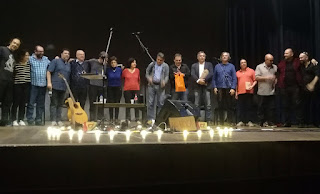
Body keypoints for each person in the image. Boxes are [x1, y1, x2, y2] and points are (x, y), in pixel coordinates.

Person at [277, 48, 303, 127]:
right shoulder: (282, 63)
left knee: (297, 104)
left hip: (295, 87)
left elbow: (306, 61)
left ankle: (300, 122)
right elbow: (278, 72)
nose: (285, 55)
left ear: (292, 54)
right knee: (286, 105)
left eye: (287, 53)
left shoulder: (297, 61)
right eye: (284, 53)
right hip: (285, 87)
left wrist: (312, 60)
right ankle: (287, 122)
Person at [26, 45, 51, 125]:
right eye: (39, 51)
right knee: (31, 103)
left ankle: (38, 119)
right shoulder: (30, 59)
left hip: (43, 85)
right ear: (35, 51)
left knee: (40, 104)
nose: (41, 53)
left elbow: (52, 65)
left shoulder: (46, 59)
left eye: (42, 51)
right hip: (33, 84)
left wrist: (57, 59)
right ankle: (30, 119)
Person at [47, 49, 71, 126]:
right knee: (54, 103)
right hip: (54, 85)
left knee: (60, 104)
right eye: (65, 53)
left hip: (63, 87)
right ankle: (53, 120)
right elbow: (49, 72)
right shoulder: (55, 61)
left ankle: (59, 119)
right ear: (61, 54)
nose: (67, 55)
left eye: (68, 54)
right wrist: (49, 82)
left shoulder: (68, 64)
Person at [0, 37, 21, 126]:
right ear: (10, 42)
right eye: (14, 43)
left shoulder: (14, 55)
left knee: (7, 102)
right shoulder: (2, 49)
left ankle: (4, 121)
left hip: (9, 81)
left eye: (17, 44)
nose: (15, 45)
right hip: (1, 79)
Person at [212, 52, 237, 126]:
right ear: (221, 57)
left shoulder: (231, 66)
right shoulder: (217, 66)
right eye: (223, 56)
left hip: (229, 88)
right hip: (220, 88)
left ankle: (229, 122)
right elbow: (214, 78)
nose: (224, 57)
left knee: (229, 106)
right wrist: (215, 87)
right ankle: (221, 123)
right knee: (220, 106)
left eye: (226, 56)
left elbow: (234, 78)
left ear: (229, 58)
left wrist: (233, 88)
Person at [145, 52, 169, 124]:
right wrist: (149, 78)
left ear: (163, 60)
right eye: (158, 60)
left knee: (161, 103)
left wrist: (164, 81)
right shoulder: (152, 64)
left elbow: (167, 76)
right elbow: (147, 72)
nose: (159, 61)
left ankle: (159, 119)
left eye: (160, 60)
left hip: (160, 86)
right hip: (152, 85)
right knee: (150, 102)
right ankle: (150, 119)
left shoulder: (165, 66)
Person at [255, 54, 277, 127]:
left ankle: (270, 121)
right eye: (270, 60)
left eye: (272, 60)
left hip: (271, 91)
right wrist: (266, 78)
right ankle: (260, 122)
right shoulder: (259, 67)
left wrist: (276, 80)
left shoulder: (275, 67)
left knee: (271, 108)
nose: (271, 62)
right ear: (266, 60)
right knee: (261, 108)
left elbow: (277, 76)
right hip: (262, 91)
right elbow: (256, 77)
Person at [191, 51, 213, 122]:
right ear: (197, 57)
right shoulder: (194, 65)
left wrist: (204, 80)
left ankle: (208, 120)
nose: (202, 57)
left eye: (203, 56)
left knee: (208, 104)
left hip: (206, 85)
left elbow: (211, 73)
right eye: (200, 56)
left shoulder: (209, 64)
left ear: (205, 57)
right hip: (197, 86)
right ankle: (197, 120)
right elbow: (193, 74)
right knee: (197, 104)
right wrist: (198, 81)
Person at [299, 52, 319, 127]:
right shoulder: (301, 66)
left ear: (306, 58)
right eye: (299, 58)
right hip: (304, 88)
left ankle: (316, 122)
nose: (300, 59)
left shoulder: (313, 65)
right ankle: (305, 122)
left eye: (301, 58)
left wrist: (312, 84)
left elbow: (317, 75)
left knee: (314, 105)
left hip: (314, 88)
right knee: (305, 105)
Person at [11, 49, 30, 126]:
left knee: (23, 103)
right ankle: (14, 119)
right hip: (17, 85)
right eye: (26, 55)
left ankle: (21, 119)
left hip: (26, 85)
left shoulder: (29, 64)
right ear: (22, 56)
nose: (27, 57)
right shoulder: (16, 64)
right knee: (16, 102)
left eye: (28, 55)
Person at [87, 51, 108, 121]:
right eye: (104, 59)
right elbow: (84, 62)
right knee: (92, 102)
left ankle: (100, 118)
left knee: (101, 103)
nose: (105, 61)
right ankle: (92, 118)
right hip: (93, 85)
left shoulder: (105, 65)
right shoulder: (93, 61)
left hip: (101, 86)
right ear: (100, 58)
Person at [235, 59, 256, 127]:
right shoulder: (237, 72)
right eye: (242, 63)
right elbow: (236, 83)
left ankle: (249, 121)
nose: (243, 64)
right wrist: (236, 93)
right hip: (240, 92)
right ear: (240, 64)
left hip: (249, 92)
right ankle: (241, 121)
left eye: (244, 62)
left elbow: (255, 80)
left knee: (249, 107)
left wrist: (252, 86)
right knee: (241, 107)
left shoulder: (251, 71)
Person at [122, 58, 141, 122]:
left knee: (136, 104)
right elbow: (122, 78)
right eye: (133, 62)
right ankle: (128, 118)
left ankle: (137, 118)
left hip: (136, 89)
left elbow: (139, 80)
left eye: (135, 62)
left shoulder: (137, 70)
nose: (135, 64)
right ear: (130, 63)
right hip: (127, 89)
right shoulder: (125, 71)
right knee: (128, 104)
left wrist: (138, 87)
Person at [106, 56, 122, 123]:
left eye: (114, 62)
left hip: (118, 87)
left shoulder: (120, 70)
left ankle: (116, 118)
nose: (113, 64)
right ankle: (111, 118)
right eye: (112, 62)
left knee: (117, 103)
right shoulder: (108, 70)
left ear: (117, 63)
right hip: (110, 87)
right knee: (111, 103)